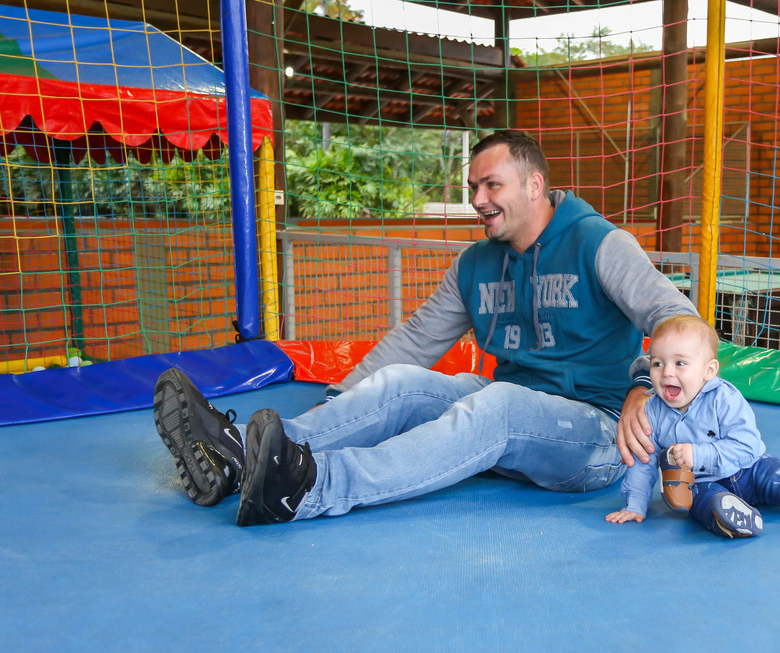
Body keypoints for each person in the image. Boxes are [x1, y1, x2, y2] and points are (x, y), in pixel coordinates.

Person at [154, 130, 698, 526]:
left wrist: (643, 386)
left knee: (498, 404)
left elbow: (683, 323)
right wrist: (342, 400)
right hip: (514, 407)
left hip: (598, 435)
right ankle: (239, 457)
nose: (477, 200)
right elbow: (414, 341)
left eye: (491, 185)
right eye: (473, 186)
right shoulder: (475, 264)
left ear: (534, 185)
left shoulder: (600, 244)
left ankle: (309, 487)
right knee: (402, 383)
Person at [606, 314, 780, 538]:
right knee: (702, 504)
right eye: (657, 363)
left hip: (751, 469)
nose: (667, 373)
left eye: (680, 363)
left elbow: (747, 446)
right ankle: (732, 517)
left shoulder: (725, 399)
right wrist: (635, 504)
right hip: (703, 482)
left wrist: (699, 455)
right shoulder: (652, 410)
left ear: (709, 371)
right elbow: (643, 460)